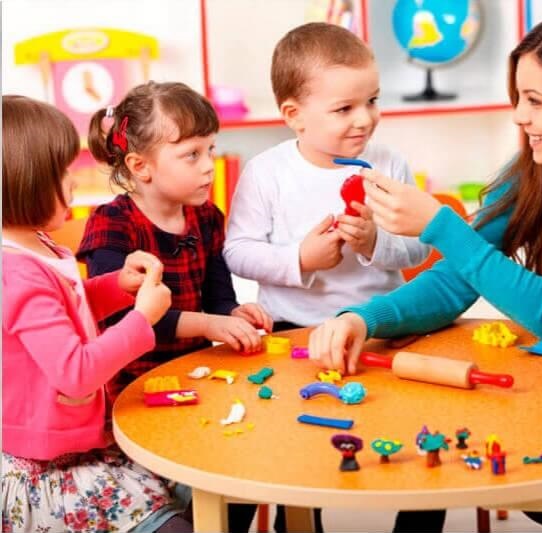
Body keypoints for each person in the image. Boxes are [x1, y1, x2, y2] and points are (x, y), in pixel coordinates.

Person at [309, 10, 542, 531]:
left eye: (536, 101)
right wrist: (364, 319)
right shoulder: (539, 171)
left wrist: (440, 225)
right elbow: (455, 281)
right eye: (518, 97)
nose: (519, 116)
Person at [77, 81, 269, 532]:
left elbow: (219, 293)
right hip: (133, 393)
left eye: (210, 150)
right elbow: (124, 321)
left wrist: (233, 314)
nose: (208, 166)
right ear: (140, 166)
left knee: (246, 473)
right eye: (191, 155)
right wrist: (210, 324)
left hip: (198, 378)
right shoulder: (112, 224)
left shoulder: (207, 217)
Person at [2, 95, 192, 533]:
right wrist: (142, 319)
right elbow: (75, 372)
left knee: (198, 482)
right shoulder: (16, 273)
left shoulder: (39, 244)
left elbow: (69, 307)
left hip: (80, 438)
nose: (73, 181)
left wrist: (118, 286)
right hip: (49, 466)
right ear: (25, 183)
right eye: (62, 173)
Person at [223, 22, 430, 332]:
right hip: (293, 328)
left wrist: (374, 242)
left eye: (372, 101)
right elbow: (238, 253)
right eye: (344, 109)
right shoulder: (265, 172)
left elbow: (419, 246)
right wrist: (300, 259)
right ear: (295, 115)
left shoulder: (389, 164)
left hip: (377, 324)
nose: (364, 119)